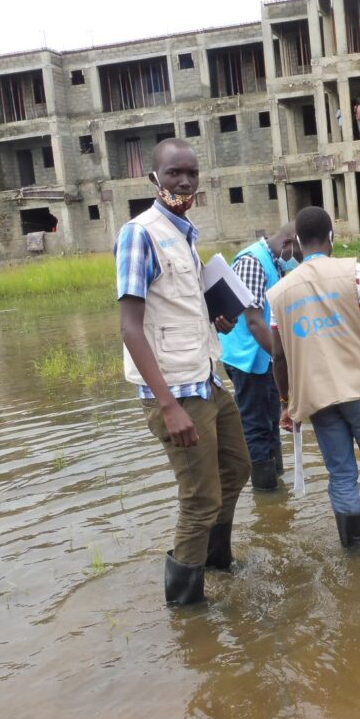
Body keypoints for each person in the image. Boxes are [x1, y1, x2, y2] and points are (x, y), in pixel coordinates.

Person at [115, 138, 251, 607]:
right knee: (198, 499)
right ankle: (186, 605)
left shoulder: (185, 232)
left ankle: (216, 560)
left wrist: (212, 315)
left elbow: (171, 303)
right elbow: (131, 328)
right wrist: (169, 407)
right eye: (174, 173)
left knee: (237, 466)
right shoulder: (140, 234)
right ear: (155, 178)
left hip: (208, 377)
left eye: (191, 173)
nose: (185, 181)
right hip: (176, 391)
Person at [268, 206, 360, 548]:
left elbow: (279, 357)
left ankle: (352, 552)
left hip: (319, 400)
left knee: (341, 475)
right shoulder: (354, 272)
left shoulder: (279, 293)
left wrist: (285, 403)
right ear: (330, 237)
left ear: (298, 244)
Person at [219, 223, 302, 492]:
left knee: (271, 421)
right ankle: (266, 494)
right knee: (256, 427)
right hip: (246, 358)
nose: (298, 260)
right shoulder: (253, 262)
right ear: (289, 242)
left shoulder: (276, 261)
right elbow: (254, 322)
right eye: (299, 253)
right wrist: (283, 358)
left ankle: (276, 487)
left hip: (264, 357)